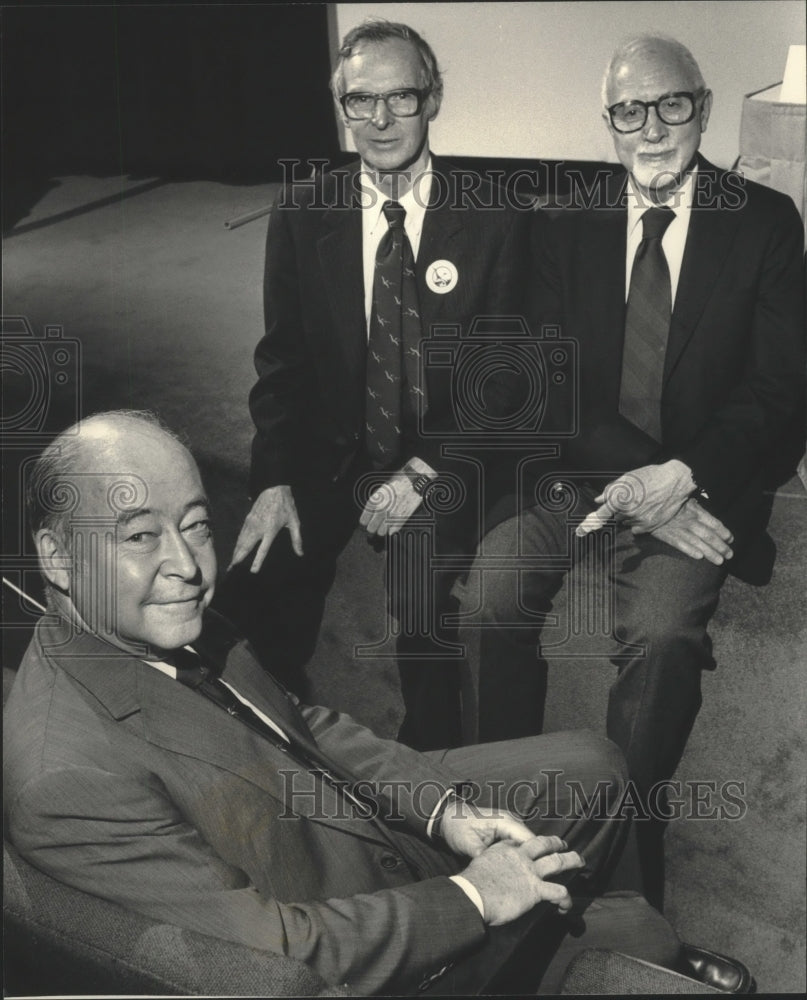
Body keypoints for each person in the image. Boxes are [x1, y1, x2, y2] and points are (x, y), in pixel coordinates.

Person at [2, 410, 696, 996]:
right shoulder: (66, 780)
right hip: (354, 946)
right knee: (643, 938)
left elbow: (301, 725)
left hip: (357, 834)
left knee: (597, 764)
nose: (187, 565)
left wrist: (443, 810)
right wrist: (476, 896)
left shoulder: (155, 615)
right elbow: (277, 957)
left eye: (196, 525)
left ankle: (593, 931)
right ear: (57, 558)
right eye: (139, 536)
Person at [460, 34, 805, 907]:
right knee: (489, 595)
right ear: (606, 121)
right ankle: (506, 814)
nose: (650, 129)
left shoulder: (763, 222)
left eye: (670, 105)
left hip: (699, 485)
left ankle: (621, 869)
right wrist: (647, 489)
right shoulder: (563, 217)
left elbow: (777, 389)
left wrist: (680, 478)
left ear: (704, 105)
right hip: (580, 476)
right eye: (628, 111)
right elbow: (543, 380)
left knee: (659, 637)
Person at [217, 18, 536, 751]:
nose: (381, 120)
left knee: (422, 603)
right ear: (341, 107)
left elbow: (504, 382)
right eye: (361, 101)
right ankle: (270, 751)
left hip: (445, 453)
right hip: (339, 449)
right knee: (255, 580)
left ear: (434, 99)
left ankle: (434, 784)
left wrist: (425, 472)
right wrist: (273, 480)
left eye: (401, 97)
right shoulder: (304, 210)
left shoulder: (495, 216)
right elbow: (283, 365)